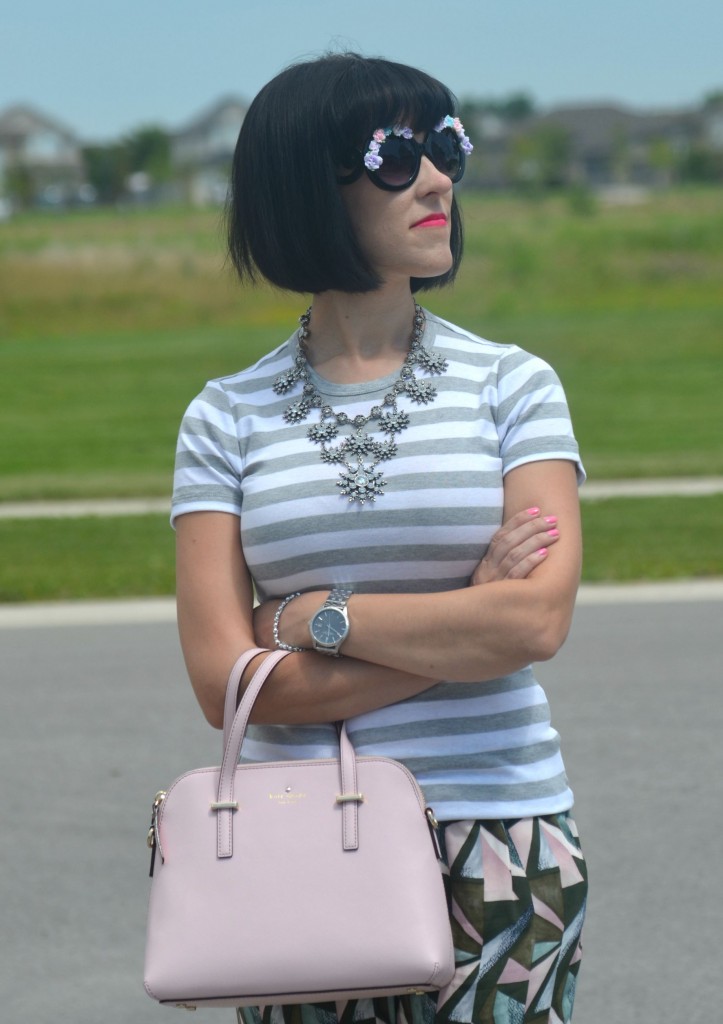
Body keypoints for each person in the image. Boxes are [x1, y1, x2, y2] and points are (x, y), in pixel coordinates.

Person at [172, 52, 588, 1024]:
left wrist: (315, 618)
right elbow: (220, 681)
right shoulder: (224, 417)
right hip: (295, 842)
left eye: (447, 146)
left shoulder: (514, 386)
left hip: (505, 833)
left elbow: (534, 619)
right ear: (302, 184)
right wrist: (459, 629)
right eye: (397, 154)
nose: (440, 176)